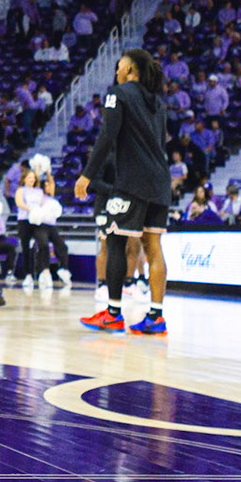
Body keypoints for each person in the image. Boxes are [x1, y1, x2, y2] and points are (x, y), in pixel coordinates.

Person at [75, 48, 173, 336]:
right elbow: (162, 146)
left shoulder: (118, 94)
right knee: (153, 248)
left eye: (120, 66)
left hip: (133, 181)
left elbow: (107, 135)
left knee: (115, 241)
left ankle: (113, 313)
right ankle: (156, 317)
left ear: (130, 70)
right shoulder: (159, 104)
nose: (116, 70)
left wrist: (87, 175)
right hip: (160, 180)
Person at [14, 154, 70, 290]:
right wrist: (31, 209)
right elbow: (19, 203)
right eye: (29, 178)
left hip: (36, 220)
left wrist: (44, 169)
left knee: (42, 245)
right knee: (26, 248)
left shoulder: (39, 191)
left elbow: (46, 183)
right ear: (24, 179)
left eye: (33, 178)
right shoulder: (21, 190)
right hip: (24, 220)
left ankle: (43, 272)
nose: (32, 180)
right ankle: (27, 275)